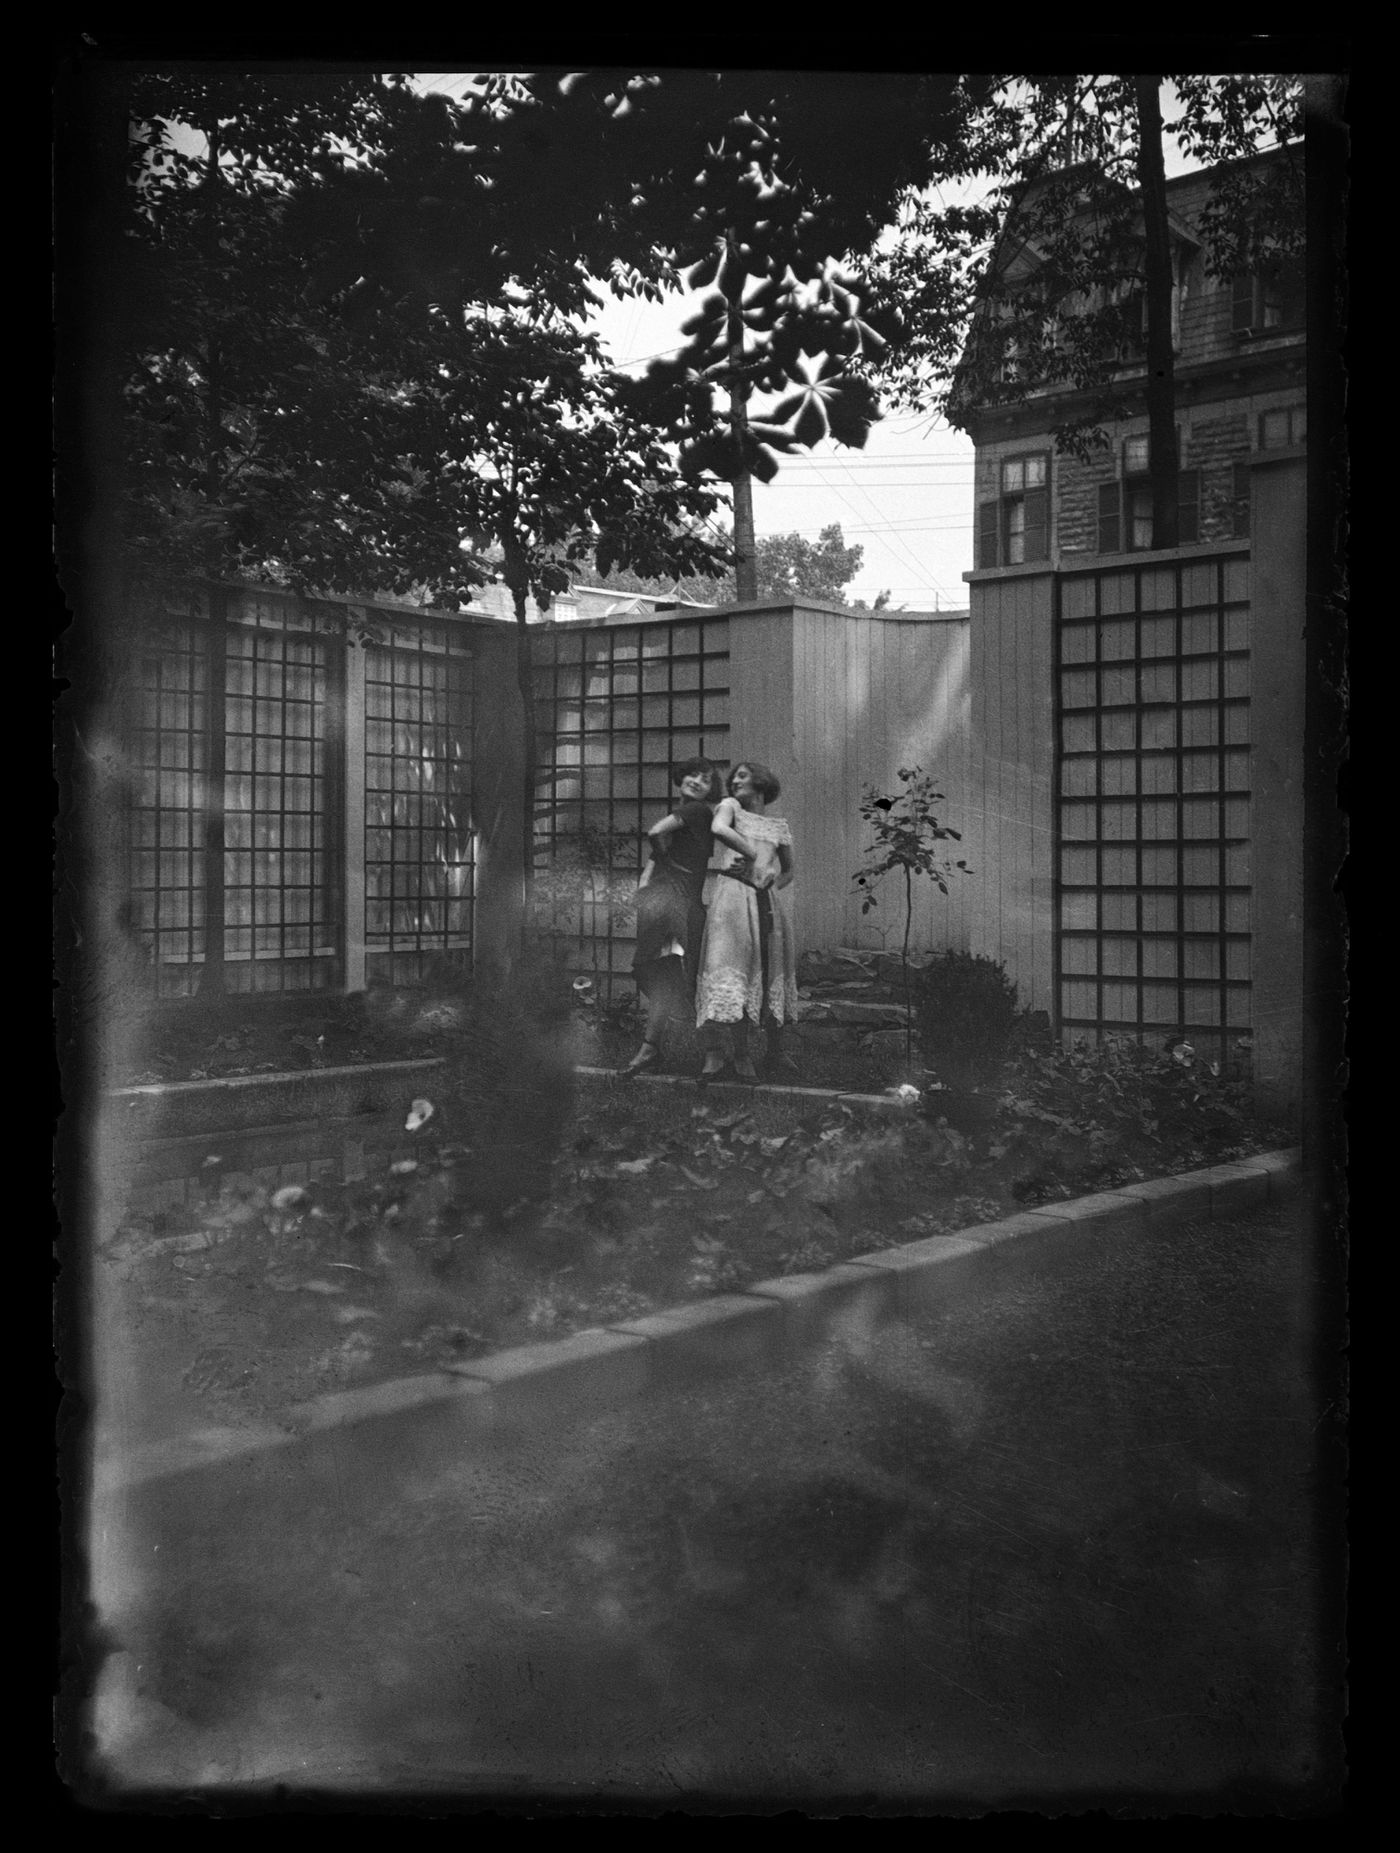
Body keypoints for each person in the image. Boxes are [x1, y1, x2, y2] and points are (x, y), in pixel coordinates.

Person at [622, 757, 756, 1075]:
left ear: (711, 789)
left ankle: (715, 1053)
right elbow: (654, 857)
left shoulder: (694, 811)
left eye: (706, 779)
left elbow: (655, 833)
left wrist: (659, 865)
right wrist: (649, 879)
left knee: (681, 975)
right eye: (693, 774)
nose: (696, 781)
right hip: (668, 904)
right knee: (670, 976)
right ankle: (652, 1050)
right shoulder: (684, 816)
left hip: (674, 906)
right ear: (681, 777)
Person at [695, 759, 799, 1082]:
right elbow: (718, 829)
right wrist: (752, 858)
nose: (735, 781)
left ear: (761, 780)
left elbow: (789, 871)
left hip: (764, 900)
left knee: (769, 967)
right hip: (732, 897)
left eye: (743, 776)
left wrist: (770, 883)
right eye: (734, 778)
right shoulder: (729, 807)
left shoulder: (778, 827)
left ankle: (775, 1051)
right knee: (730, 966)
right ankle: (730, 1053)